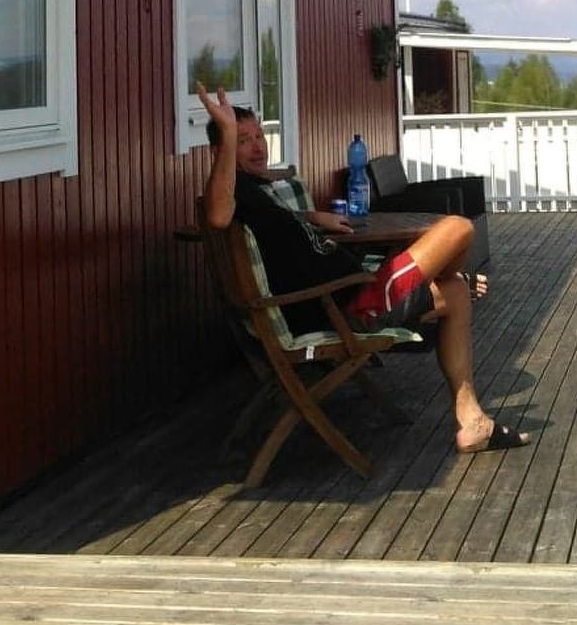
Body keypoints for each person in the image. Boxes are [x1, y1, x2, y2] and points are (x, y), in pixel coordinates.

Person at [198, 81, 525, 454]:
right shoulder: (233, 192)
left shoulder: (255, 194)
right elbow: (219, 214)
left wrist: (311, 216)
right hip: (349, 307)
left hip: (351, 293)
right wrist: (225, 134)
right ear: (221, 148)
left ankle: (473, 422)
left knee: (453, 294)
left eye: (259, 135)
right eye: (242, 140)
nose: (257, 146)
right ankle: (458, 278)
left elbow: (271, 224)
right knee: (457, 228)